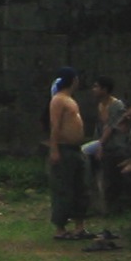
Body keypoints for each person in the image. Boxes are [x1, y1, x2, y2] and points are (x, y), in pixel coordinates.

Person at [48, 67, 92, 240]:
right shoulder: (58, 100)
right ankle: (60, 227)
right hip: (64, 148)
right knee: (63, 188)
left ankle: (79, 226)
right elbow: (55, 125)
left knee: (80, 187)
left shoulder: (70, 100)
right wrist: (54, 149)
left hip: (75, 149)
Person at [81, 74, 131, 183]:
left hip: (116, 143)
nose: (93, 89)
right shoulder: (100, 105)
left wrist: (100, 145)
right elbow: (100, 127)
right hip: (103, 141)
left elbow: (111, 126)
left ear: (104, 89)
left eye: (96, 87)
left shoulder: (117, 105)